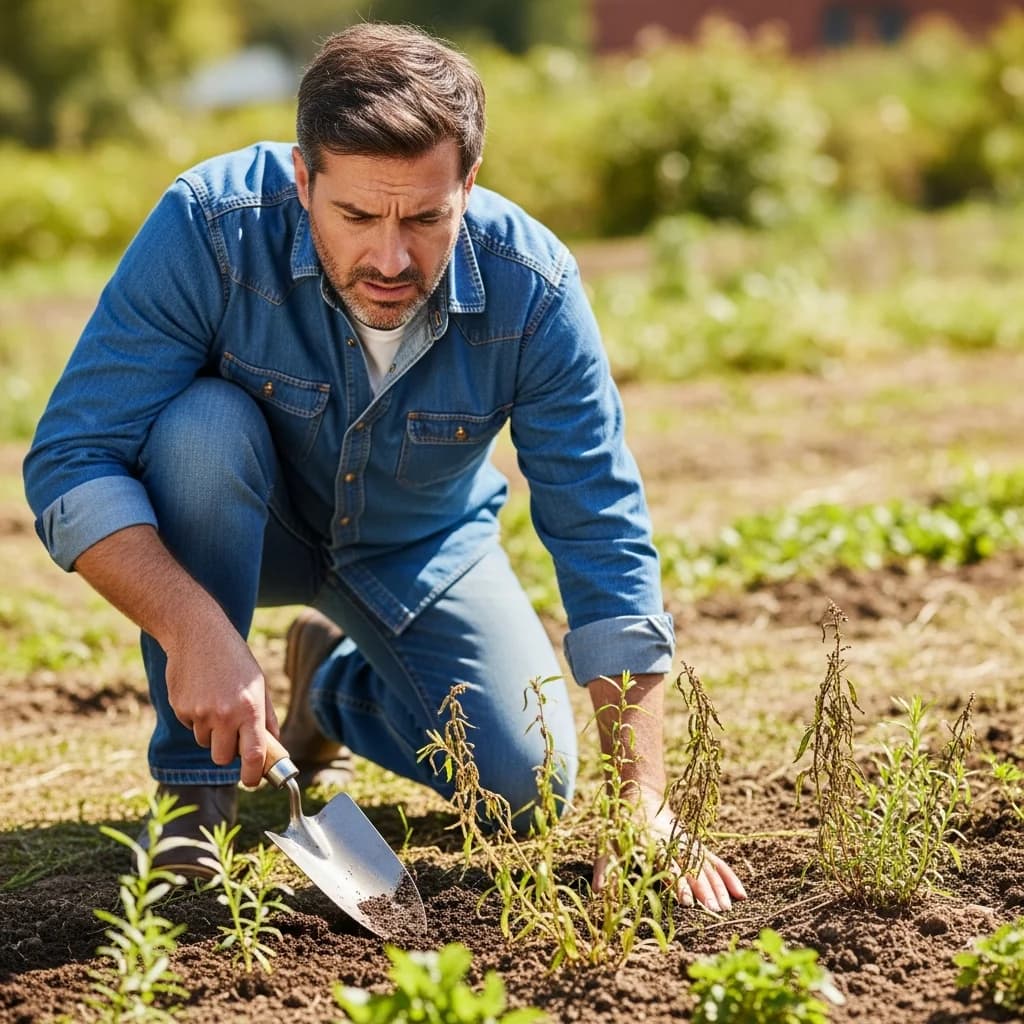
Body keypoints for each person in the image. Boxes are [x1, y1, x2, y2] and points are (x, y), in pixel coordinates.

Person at [23, 22, 745, 912]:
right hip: (245, 525)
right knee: (201, 430)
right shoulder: (210, 228)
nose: (392, 258)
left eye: (427, 217)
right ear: (303, 178)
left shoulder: (534, 287)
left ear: (468, 186)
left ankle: (327, 691)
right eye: (358, 216)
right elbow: (70, 458)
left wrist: (641, 800)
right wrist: (193, 630)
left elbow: (600, 525)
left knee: (528, 789)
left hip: (417, 541)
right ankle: (192, 795)